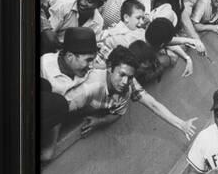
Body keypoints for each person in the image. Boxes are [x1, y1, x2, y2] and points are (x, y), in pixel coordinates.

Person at [68, 46, 198, 139]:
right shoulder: (90, 84)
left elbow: (153, 104)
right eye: (122, 75)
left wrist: (182, 125)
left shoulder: (128, 84)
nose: (125, 81)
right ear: (110, 68)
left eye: (130, 77)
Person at [40, 27, 98, 103]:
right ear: (69, 56)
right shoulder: (43, 67)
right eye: (88, 60)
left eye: (93, 60)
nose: (91, 66)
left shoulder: (87, 69)